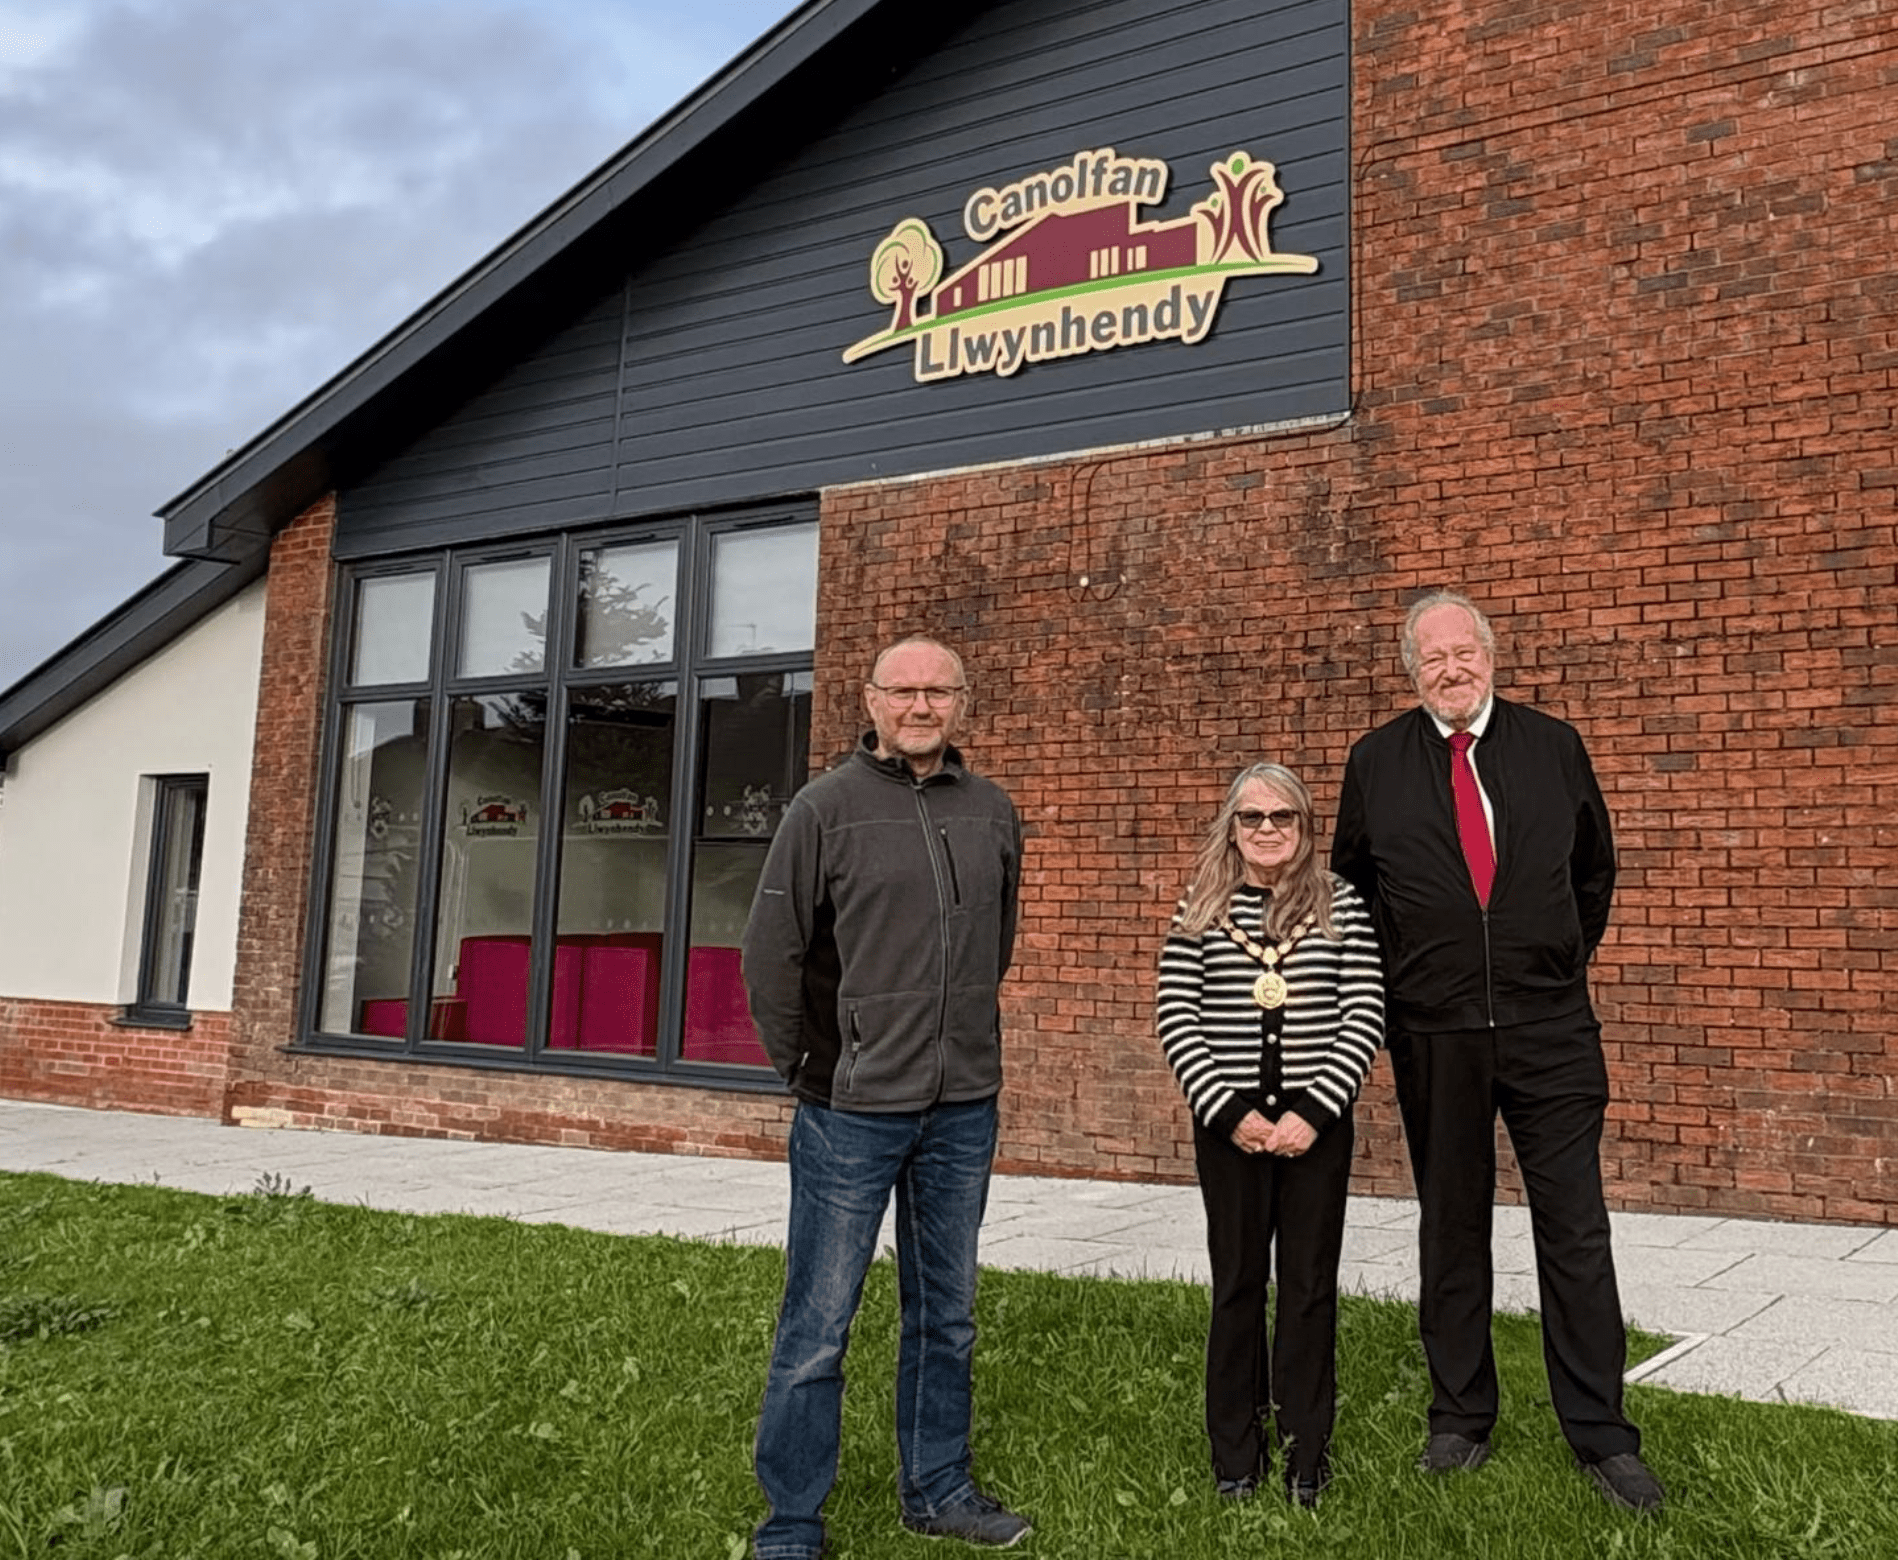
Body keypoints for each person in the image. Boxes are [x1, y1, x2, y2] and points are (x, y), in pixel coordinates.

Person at [1330, 590, 1664, 1514]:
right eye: (1431, 656)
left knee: (1575, 1230)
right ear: (1411, 669)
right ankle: (1460, 1419)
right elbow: (1357, 891)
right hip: (1435, 1034)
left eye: (1463, 651)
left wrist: (1551, 959)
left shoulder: (1551, 746)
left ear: (1490, 656)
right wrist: (1411, 989)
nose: (1450, 668)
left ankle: (1602, 1436)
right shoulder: (1377, 762)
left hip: (1550, 1029)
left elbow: (1593, 870)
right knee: (1452, 1224)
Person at [741, 635, 1029, 1559]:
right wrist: (812, 1070)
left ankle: (937, 1487)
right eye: (901, 691)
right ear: (869, 701)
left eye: (937, 691)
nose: (919, 707)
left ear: (962, 702)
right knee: (818, 1323)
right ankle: (791, 1521)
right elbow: (770, 956)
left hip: (961, 1106)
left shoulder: (992, 812)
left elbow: (998, 943)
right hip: (850, 1112)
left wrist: (961, 1048)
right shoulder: (822, 809)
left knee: (946, 1313)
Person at [1156, 762, 1383, 1509]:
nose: (1266, 831)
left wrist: (1313, 1112)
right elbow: (1176, 1017)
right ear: (1232, 827)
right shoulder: (1200, 908)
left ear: (1305, 827)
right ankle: (1236, 1453)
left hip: (1317, 1125)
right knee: (1239, 1284)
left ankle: (1304, 1454)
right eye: (1251, 818)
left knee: (1310, 1289)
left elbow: (1364, 1013)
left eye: (1281, 817)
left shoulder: (1342, 905)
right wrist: (1231, 1113)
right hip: (1231, 1126)